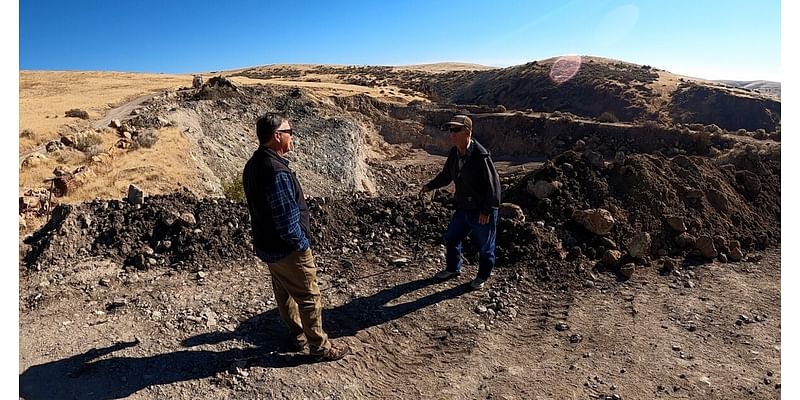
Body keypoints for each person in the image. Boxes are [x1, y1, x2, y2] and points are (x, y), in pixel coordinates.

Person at [242, 113, 350, 362]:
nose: (292, 136)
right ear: (277, 136)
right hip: (288, 249)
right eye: (289, 131)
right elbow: (285, 221)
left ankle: (298, 335)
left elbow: (269, 206)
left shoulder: (254, 163)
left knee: (284, 293)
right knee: (309, 297)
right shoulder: (276, 171)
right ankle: (319, 347)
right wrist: (302, 246)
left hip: (268, 245)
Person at [419, 115, 501, 290]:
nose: (452, 134)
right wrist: (429, 186)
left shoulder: (481, 156)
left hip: (481, 210)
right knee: (452, 238)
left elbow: (493, 186)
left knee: (485, 247)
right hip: (463, 207)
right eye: (451, 130)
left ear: (468, 132)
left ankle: (482, 276)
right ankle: (453, 268)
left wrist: (487, 210)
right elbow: (446, 176)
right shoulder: (455, 153)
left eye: (457, 130)